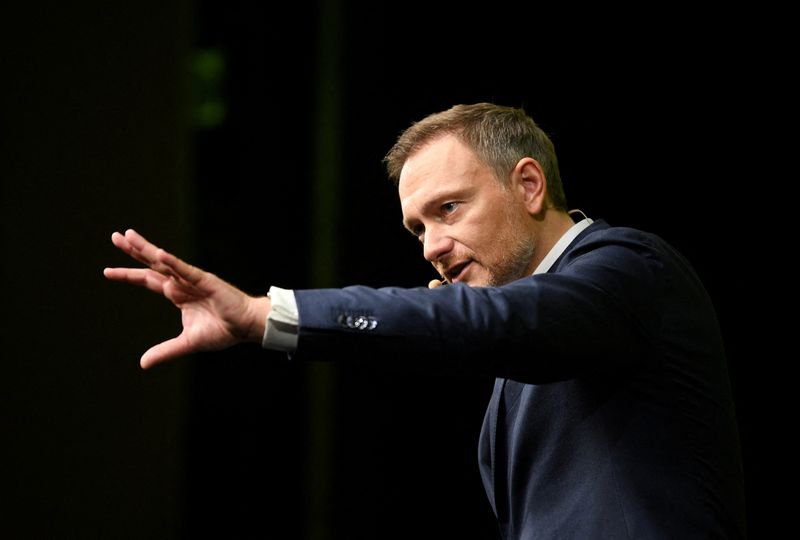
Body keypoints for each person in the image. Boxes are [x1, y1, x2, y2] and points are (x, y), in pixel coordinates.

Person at [104, 103, 746, 538]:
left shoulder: (628, 269)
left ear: (528, 186)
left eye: (449, 209)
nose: (430, 247)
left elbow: (489, 322)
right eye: (417, 227)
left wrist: (260, 313)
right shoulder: (529, 334)